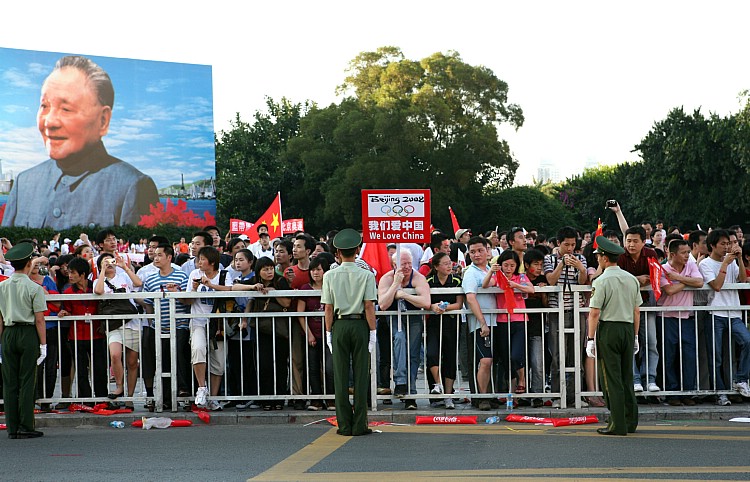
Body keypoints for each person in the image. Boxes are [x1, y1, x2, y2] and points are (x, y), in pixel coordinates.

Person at [1, 55, 158, 229]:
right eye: (44, 106)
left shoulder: (132, 186)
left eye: (66, 109)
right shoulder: (25, 183)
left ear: (103, 120)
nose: (49, 122)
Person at [321, 229, 377, 436]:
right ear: (358, 250)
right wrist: (373, 332)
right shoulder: (367, 275)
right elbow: (369, 305)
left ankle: (344, 424)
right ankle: (360, 424)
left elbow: (328, 307)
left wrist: (328, 332)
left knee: (340, 376)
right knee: (362, 375)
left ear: (337, 252)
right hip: (360, 324)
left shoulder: (329, 275)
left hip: (339, 325)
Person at [585, 236, 641, 436]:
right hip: (627, 328)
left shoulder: (602, 280)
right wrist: (635, 336)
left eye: (599, 256)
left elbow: (594, 312)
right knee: (627, 376)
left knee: (611, 378)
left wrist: (590, 339)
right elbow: (636, 311)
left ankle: (617, 423)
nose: (598, 259)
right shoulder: (631, 279)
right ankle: (629, 420)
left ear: (604, 258)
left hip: (609, 329)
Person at [0, 243, 48, 439]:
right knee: (27, 381)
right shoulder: (34, 288)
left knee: (9, 382)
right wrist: (43, 345)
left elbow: (0, 319)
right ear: (29, 263)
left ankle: (12, 427)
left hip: (8, 334)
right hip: (27, 334)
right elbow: (39, 319)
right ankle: (26, 425)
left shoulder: (1, 286)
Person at [699, 229, 750, 405]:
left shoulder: (732, 262)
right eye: (723, 244)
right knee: (717, 356)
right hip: (715, 313)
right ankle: (719, 392)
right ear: (713, 245)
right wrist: (725, 264)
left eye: (728, 243)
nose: (726, 247)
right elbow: (717, 286)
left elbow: (742, 280)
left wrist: (739, 261)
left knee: (747, 341)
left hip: (734, 311)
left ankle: (741, 379)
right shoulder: (705, 264)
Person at [377, 249, 432, 409]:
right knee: (399, 339)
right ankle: (400, 381)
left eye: (409, 263)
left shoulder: (418, 277)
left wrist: (405, 295)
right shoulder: (387, 278)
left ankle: (411, 393)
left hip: (414, 317)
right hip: (394, 316)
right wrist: (395, 284)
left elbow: (426, 302)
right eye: (403, 264)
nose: (407, 267)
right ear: (394, 265)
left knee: (413, 353)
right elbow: (383, 304)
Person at [658, 239, 703, 406]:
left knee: (689, 356)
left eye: (688, 252)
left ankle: (688, 392)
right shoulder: (663, 269)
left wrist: (678, 278)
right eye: (683, 253)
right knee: (669, 356)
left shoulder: (690, 265)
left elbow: (699, 282)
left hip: (686, 317)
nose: (687, 256)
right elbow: (668, 290)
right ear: (672, 254)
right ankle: (672, 393)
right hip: (667, 317)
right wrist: (687, 281)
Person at [93, 252, 142, 403]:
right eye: (105, 262)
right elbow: (98, 291)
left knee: (132, 362)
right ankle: (120, 386)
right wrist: (102, 271)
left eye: (111, 261)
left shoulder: (124, 276)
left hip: (131, 323)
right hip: (113, 324)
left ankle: (130, 397)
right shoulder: (97, 280)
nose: (109, 264)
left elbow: (138, 283)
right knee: (115, 355)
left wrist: (124, 266)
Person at [461, 236, 498, 411]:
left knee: (493, 360)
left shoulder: (490, 270)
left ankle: (491, 395)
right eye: (473, 251)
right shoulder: (471, 273)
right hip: (480, 325)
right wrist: (482, 323)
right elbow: (470, 298)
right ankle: (482, 397)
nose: (476, 255)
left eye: (480, 250)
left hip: (496, 322)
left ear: (487, 251)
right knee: (485, 360)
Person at [425, 252, 464, 409]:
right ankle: (437, 385)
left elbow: (459, 305)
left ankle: (448, 396)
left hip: (451, 324)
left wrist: (445, 308)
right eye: (445, 263)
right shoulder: (429, 281)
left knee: (450, 359)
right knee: (432, 354)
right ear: (436, 266)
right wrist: (433, 307)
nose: (449, 266)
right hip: (434, 323)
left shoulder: (456, 280)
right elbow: (425, 301)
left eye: (450, 263)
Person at [297, 256, 334, 411]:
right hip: (312, 333)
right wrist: (309, 334)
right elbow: (300, 313)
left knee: (330, 367)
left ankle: (331, 398)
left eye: (319, 269)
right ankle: (316, 399)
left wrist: (330, 332)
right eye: (312, 270)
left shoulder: (331, 287)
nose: (315, 273)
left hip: (329, 334)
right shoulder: (305, 289)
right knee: (312, 367)